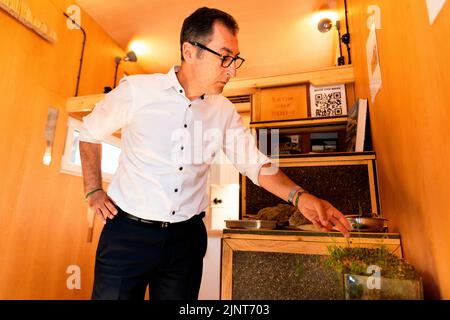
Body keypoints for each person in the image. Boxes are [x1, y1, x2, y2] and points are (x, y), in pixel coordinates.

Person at [79, 7, 352, 300]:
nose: (232, 70)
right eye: (224, 57)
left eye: (235, 60)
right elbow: (89, 132)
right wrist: (93, 189)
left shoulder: (223, 110)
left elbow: (255, 163)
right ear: (189, 51)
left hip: (185, 242)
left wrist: (300, 197)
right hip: (127, 235)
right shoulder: (137, 91)